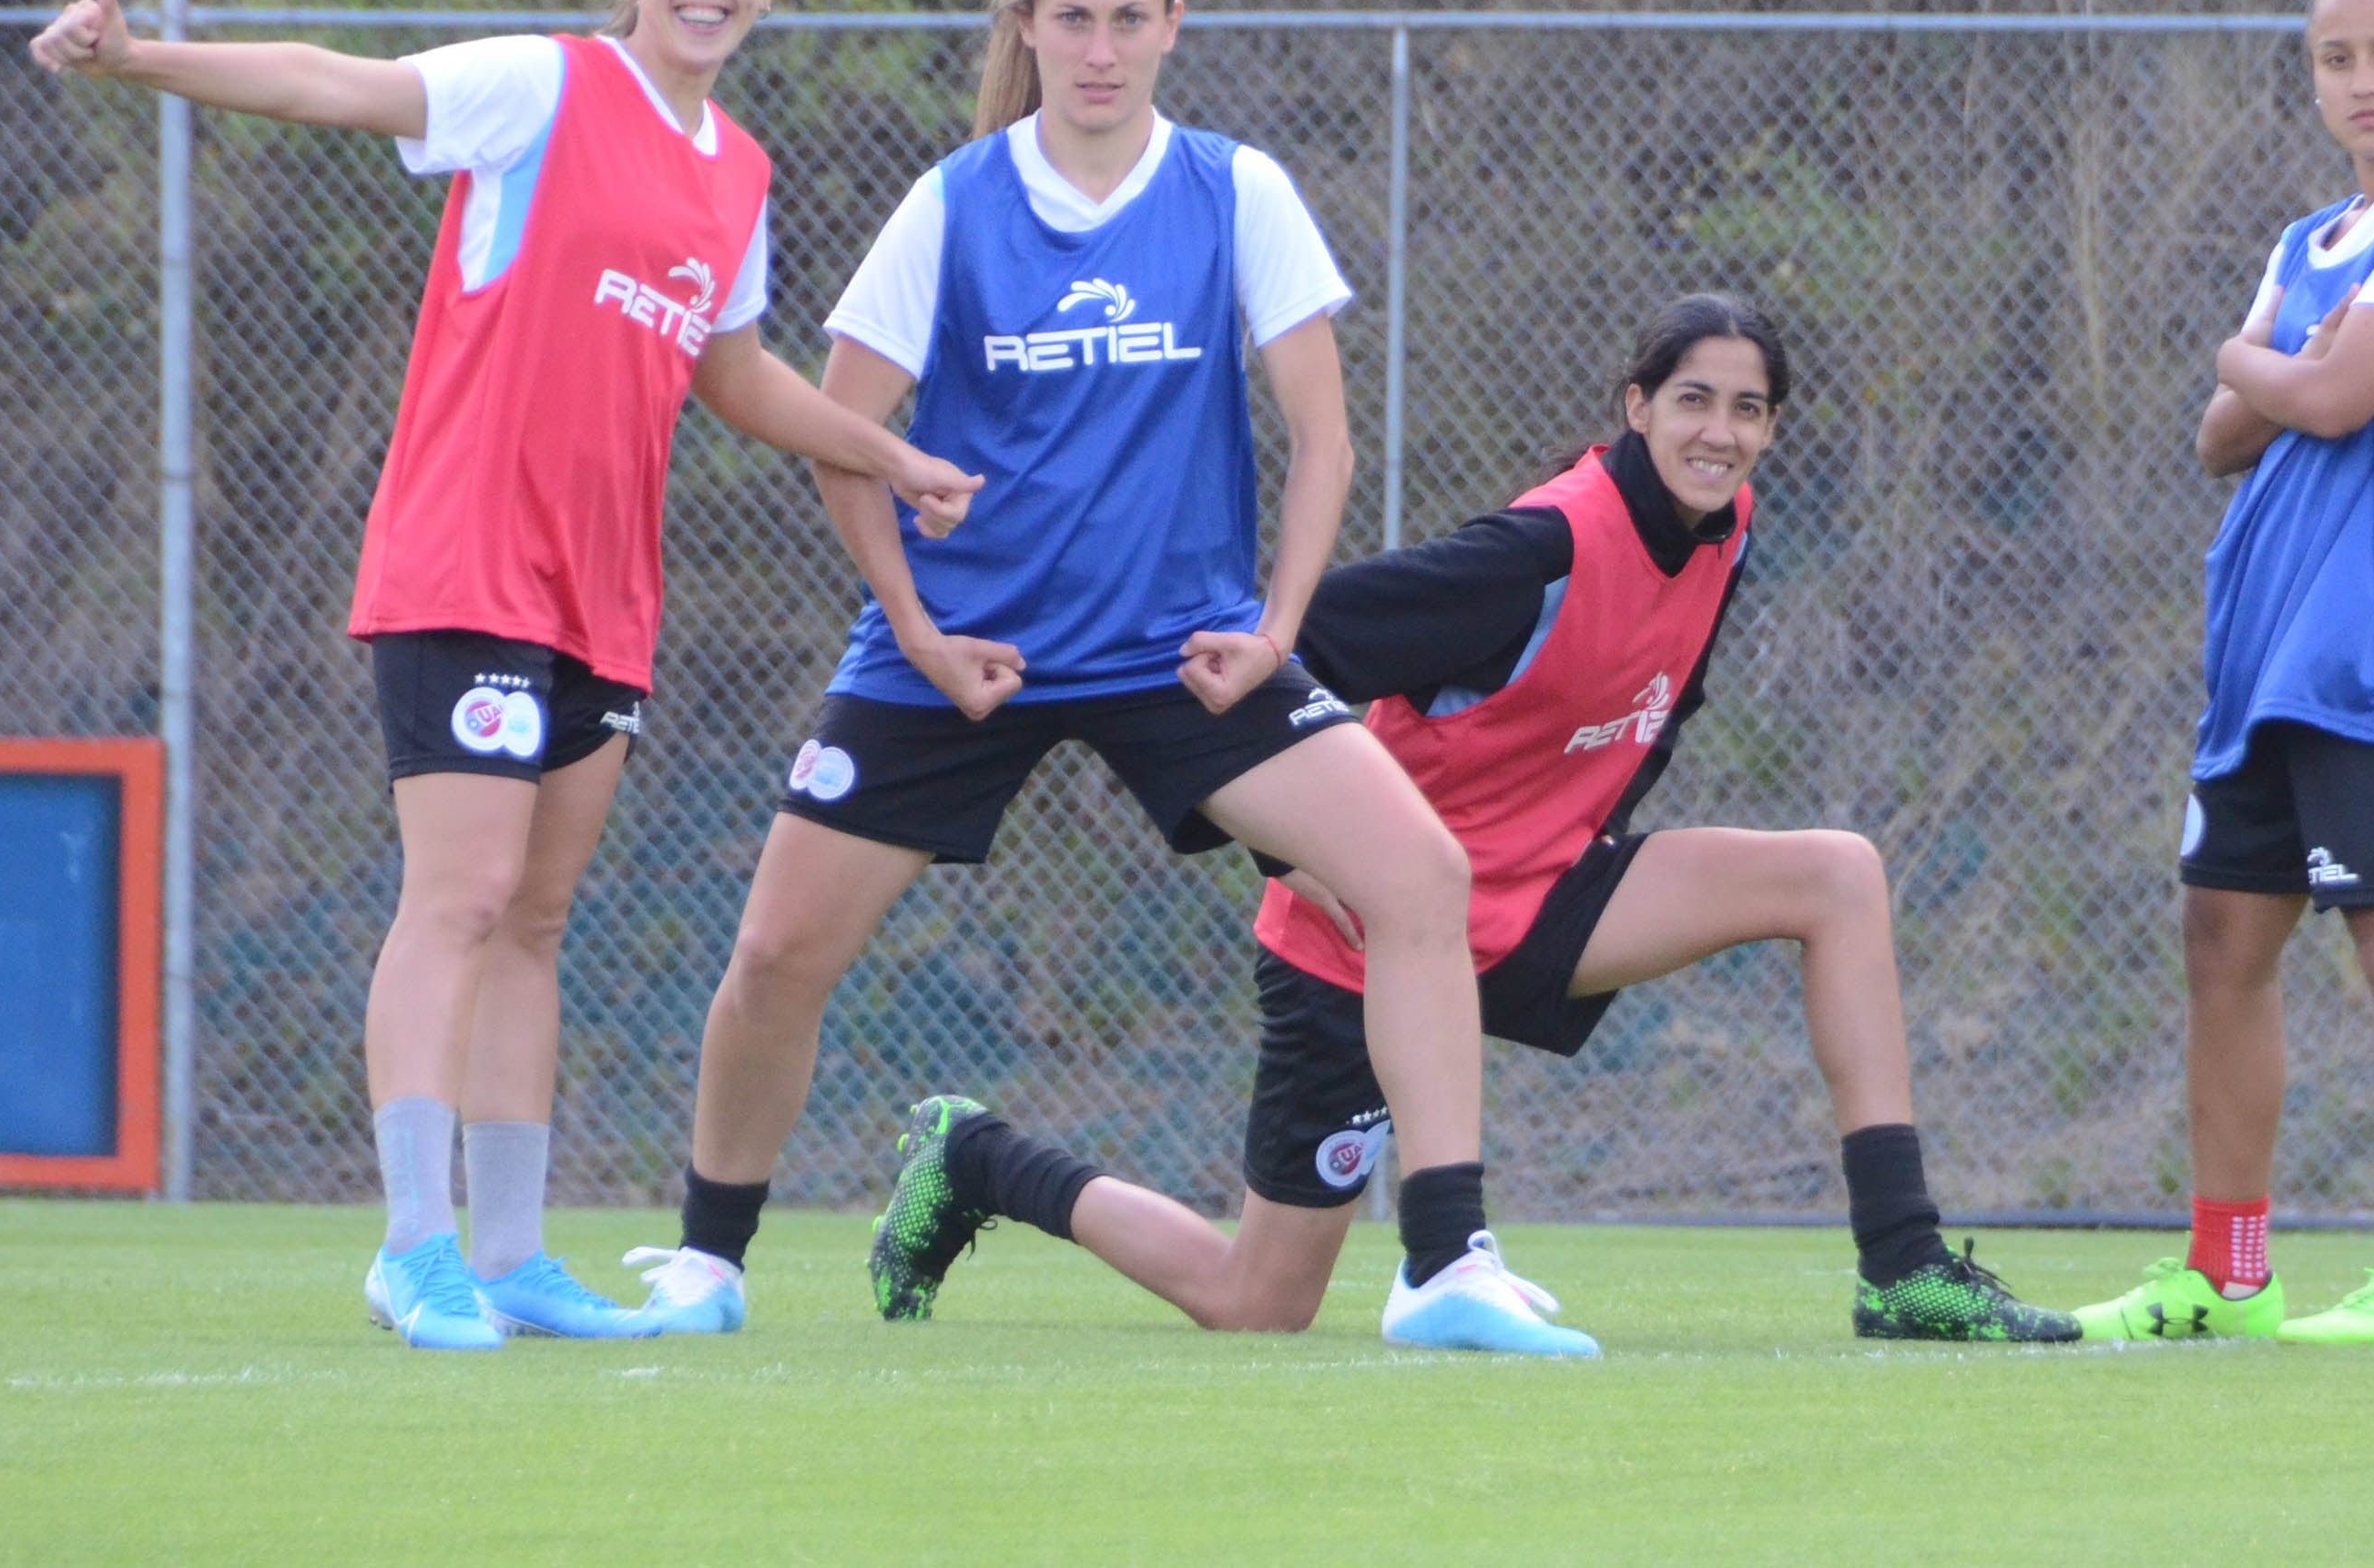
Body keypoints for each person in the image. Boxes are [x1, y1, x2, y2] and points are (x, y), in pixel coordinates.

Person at [28, 0, 982, 1351]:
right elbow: (335, 84)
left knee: (534, 918)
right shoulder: (543, 86)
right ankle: (413, 1246)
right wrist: (140, 57)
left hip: (603, 592)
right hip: (467, 560)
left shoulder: (738, 171)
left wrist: (890, 452)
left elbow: (729, 372)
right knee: (460, 897)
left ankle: (518, 1253)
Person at [621, 0, 1589, 1356]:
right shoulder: (954, 201)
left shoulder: (1234, 189)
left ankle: (1446, 1265)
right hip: (964, 657)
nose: (1099, 47)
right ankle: (706, 1263)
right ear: (1024, 28)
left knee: (1419, 874)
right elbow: (841, 434)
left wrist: (1273, 630)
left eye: (1130, 18)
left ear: (1173, 27)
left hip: (1175, 654)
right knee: (773, 957)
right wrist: (920, 635)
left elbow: (1319, 439)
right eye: (1069, 17)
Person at [851, 293, 2081, 1345]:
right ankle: (974, 1157)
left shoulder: (1725, 530)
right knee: (1257, 1300)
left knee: (1836, 876)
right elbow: (1283, 644)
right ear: (1634, 405)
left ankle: (1903, 1265)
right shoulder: (1536, 550)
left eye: (1748, 408)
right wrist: (1300, 850)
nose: (1719, 430)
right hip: (1372, 936)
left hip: (1541, 893)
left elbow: (1650, 715)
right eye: (1693, 398)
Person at [2073, 0, 2374, 1346]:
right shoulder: (2305, 238)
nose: (2364, 81)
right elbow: (2222, 434)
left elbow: (2313, 398)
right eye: (2336, 59)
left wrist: (2259, 363)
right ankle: (2229, 1268)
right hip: (2265, 643)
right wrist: (2275, 370)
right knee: (2221, 933)